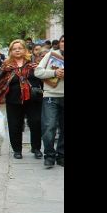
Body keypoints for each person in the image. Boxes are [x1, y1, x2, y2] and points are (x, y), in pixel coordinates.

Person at [0, 40, 42, 160]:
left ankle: (36, 148)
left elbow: (42, 80)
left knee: (35, 123)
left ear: (25, 50)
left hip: (33, 100)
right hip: (13, 100)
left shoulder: (33, 65)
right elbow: (0, 83)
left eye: (20, 48)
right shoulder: (6, 66)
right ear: (10, 51)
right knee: (15, 125)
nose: (17, 50)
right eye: (14, 48)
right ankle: (17, 150)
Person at [34, 35, 64, 168]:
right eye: (63, 41)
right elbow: (38, 72)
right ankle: (49, 155)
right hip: (51, 96)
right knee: (49, 127)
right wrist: (54, 73)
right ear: (60, 43)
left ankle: (61, 155)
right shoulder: (51, 54)